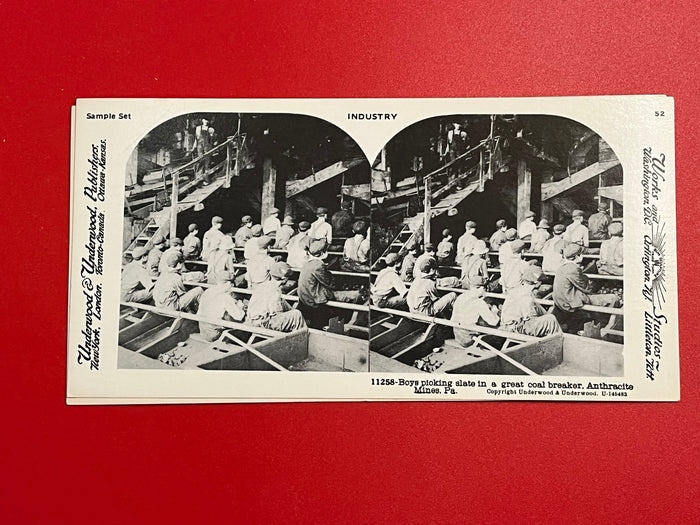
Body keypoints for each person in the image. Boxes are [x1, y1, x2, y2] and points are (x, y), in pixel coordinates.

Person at [553, 243, 619, 315]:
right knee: (613, 298)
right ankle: (604, 321)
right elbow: (587, 288)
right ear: (578, 256)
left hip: (562, 301)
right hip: (569, 304)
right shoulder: (573, 269)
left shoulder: (561, 268)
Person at [298, 239, 364, 308]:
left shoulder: (307, 264)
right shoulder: (318, 265)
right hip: (313, 298)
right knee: (345, 295)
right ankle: (358, 295)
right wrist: (343, 285)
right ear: (321, 253)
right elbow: (330, 283)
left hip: (305, 295)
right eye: (325, 251)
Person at [501, 265, 561, 337]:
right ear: (538, 282)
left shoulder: (518, 289)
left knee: (543, 310)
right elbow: (530, 318)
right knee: (551, 319)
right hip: (515, 328)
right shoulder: (527, 296)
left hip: (509, 324)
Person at [247, 262, 306, 332]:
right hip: (262, 324)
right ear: (285, 279)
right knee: (297, 314)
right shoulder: (275, 291)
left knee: (292, 310)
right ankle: (301, 338)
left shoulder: (263, 285)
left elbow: (282, 303)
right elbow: (276, 313)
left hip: (252, 321)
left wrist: (291, 310)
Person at [196, 271, 246, 342]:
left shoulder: (207, 291)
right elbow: (239, 317)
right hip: (215, 335)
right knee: (246, 324)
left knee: (224, 315)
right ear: (230, 284)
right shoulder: (226, 297)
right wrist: (241, 305)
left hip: (203, 331)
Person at [450, 276, 500, 347]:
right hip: (469, 339)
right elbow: (494, 322)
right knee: (500, 329)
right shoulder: (479, 302)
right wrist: (495, 311)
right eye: (485, 289)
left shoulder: (461, 297)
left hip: (458, 336)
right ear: (481, 288)